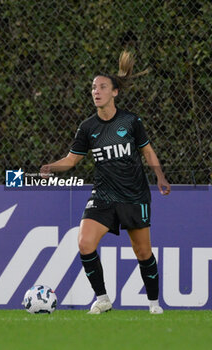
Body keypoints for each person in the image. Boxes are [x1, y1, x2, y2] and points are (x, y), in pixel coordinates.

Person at [40, 51, 171, 315]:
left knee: (143, 252)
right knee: (85, 243)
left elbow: (147, 151)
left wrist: (159, 175)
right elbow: (72, 160)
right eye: (93, 88)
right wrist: (52, 167)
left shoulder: (131, 121)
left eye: (102, 87)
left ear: (115, 93)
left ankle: (154, 304)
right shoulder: (88, 127)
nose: (96, 92)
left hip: (134, 194)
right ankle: (102, 298)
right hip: (103, 195)